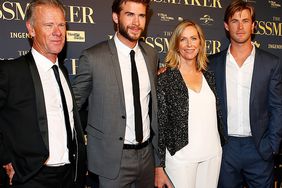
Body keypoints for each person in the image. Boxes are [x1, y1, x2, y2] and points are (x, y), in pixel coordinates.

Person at [72, 0, 159, 187]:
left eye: (141, 15)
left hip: (147, 156)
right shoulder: (93, 57)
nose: (136, 23)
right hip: (111, 160)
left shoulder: (151, 55)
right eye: (130, 14)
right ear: (115, 17)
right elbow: (72, 107)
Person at [0, 0, 86, 187]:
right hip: (31, 177)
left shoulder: (62, 71)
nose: (57, 32)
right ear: (31, 29)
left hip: (69, 176)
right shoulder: (10, 71)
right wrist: (5, 158)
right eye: (49, 25)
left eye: (61, 25)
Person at [208, 0, 282, 187]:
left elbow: (277, 107)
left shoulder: (271, 63)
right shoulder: (212, 64)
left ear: (253, 25)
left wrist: (272, 146)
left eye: (245, 20)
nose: (240, 27)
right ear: (226, 26)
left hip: (259, 148)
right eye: (234, 21)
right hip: (226, 149)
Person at [155, 20, 226, 188]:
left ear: (200, 42)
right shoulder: (165, 78)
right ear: (176, 44)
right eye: (183, 39)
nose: (189, 44)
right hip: (180, 158)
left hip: (212, 155)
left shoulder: (209, 76)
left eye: (193, 38)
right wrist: (158, 165)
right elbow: (160, 124)